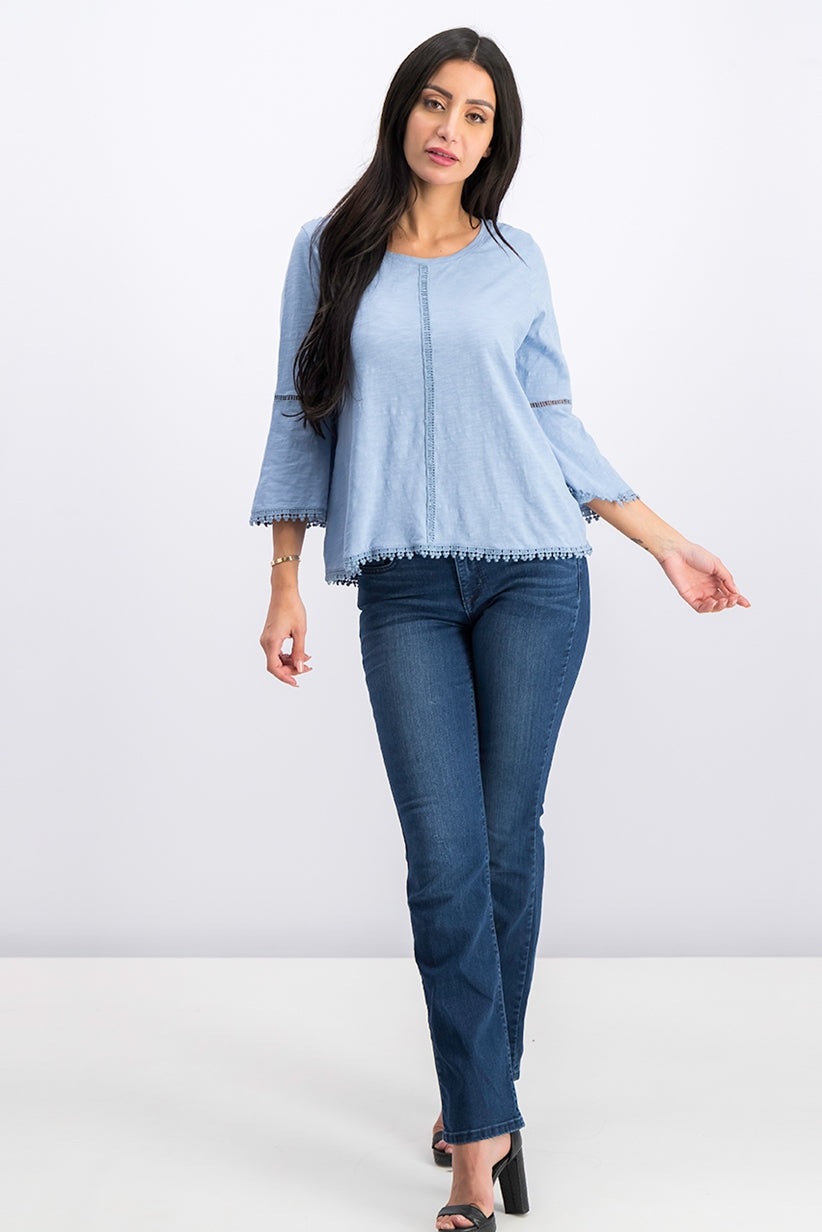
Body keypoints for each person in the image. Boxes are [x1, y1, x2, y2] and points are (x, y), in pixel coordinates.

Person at [251, 28, 750, 1231]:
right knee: (446, 857)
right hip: (405, 588)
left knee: (507, 843)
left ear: (496, 138)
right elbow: (298, 413)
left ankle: (478, 1123)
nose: (451, 129)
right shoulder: (328, 250)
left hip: (536, 573)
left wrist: (666, 540)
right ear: (402, 112)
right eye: (436, 103)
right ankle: (489, 1125)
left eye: (476, 114)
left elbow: (553, 419)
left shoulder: (517, 260)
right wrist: (284, 577)